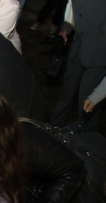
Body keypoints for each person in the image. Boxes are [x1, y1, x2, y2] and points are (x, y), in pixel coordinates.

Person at [51, 0, 106, 131]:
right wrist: (66, 27)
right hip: (78, 46)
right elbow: (72, 7)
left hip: (99, 52)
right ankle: (54, 128)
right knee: (67, 90)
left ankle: (86, 140)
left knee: (88, 99)